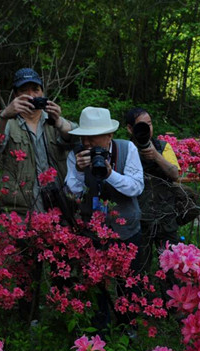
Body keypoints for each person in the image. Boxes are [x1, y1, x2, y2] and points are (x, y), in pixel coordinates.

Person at [65, 107, 144, 334]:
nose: (88, 142)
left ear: (109, 135)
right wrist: (79, 171)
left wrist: (110, 174)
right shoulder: (76, 155)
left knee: (130, 282)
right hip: (93, 230)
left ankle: (129, 327)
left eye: (94, 136)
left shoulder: (127, 149)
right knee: (96, 283)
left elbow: (136, 187)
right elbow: (73, 193)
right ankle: (101, 329)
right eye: (85, 136)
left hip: (127, 229)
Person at [0, 67, 76, 211]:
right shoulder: (8, 122)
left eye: (35, 89)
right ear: (15, 94)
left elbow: (77, 139)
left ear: (42, 92)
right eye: (24, 90)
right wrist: (3, 115)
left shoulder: (54, 121)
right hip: (23, 209)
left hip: (60, 205)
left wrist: (59, 121)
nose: (31, 95)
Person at [124, 107, 182, 272]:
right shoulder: (126, 149)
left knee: (171, 265)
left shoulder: (163, 147)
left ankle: (171, 296)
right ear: (130, 128)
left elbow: (175, 174)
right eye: (142, 125)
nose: (147, 129)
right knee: (141, 267)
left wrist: (156, 156)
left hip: (165, 216)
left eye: (149, 124)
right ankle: (144, 296)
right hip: (139, 219)